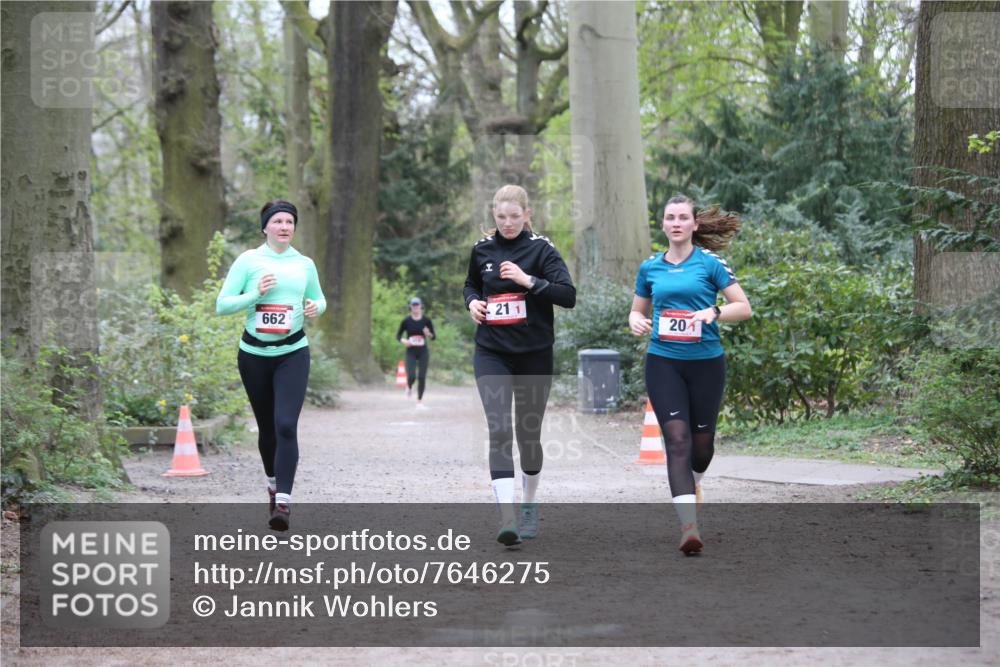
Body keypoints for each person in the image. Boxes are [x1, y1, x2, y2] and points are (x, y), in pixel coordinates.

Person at [628, 194, 751, 555]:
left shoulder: (711, 264)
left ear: (694, 224)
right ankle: (689, 527)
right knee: (677, 441)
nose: (676, 223)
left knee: (702, 447)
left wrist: (714, 312)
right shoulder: (650, 267)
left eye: (683, 217)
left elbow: (743, 307)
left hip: (706, 364)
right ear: (663, 225)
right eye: (670, 217)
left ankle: (695, 484)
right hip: (663, 362)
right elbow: (637, 311)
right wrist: (636, 320)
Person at [464, 184, 576, 546]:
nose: (508, 223)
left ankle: (529, 502)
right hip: (492, 351)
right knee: (499, 430)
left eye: (515, 217)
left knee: (528, 436)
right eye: (501, 217)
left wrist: (528, 281)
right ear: (493, 215)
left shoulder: (542, 249)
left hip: (534, 354)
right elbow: (470, 285)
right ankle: (507, 516)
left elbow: (568, 295)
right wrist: (472, 304)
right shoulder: (482, 249)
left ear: (527, 215)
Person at [216, 199, 326, 531]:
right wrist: (254, 295)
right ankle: (272, 484)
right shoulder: (248, 261)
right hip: (253, 356)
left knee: (286, 425)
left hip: (293, 352)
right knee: (267, 429)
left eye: (289, 222)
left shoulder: (304, 264)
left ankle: (283, 503)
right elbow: (222, 305)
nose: (284, 227)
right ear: (265, 227)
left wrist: (314, 307)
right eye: (277, 221)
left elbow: (319, 298)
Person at [396, 297, 436, 407]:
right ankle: (409, 386)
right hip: (411, 351)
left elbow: (433, 337)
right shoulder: (406, 321)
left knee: (422, 376)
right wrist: (404, 341)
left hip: (423, 351)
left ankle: (419, 401)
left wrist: (428, 334)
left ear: (421, 306)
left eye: (417, 305)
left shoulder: (426, 321)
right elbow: (398, 335)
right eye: (413, 305)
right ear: (410, 307)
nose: (415, 307)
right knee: (412, 376)